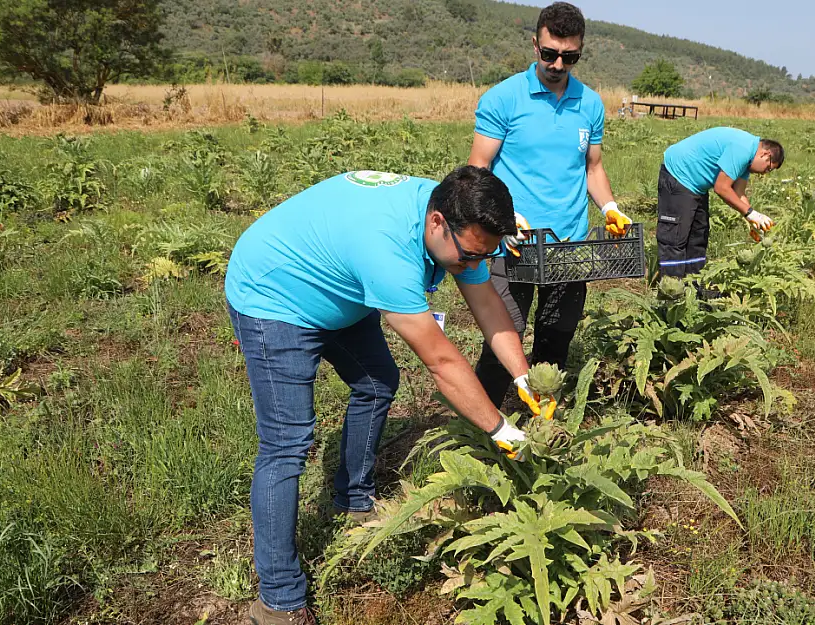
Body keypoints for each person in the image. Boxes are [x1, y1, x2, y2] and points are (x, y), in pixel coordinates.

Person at [225, 167, 553, 625]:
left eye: (486, 254)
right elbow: (441, 362)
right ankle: (278, 601)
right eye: (469, 255)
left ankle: (353, 497)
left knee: (378, 381)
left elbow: (487, 305)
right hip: (275, 295)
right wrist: (501, 429)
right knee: (287, 444)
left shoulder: (455, 215)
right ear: (437, 222)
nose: (473, 263)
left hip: (339, 284)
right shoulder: (388, 252)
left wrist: (523, 377)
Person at [469, 1, 631, 407]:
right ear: (535, 44)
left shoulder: (590, 103)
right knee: (505, 333)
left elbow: (593, 168)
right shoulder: (503, 99)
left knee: (557, 334)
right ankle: (481, 421)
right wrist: (503, 220)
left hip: (569, 243)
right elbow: (478, 168)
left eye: (569, 56)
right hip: (515, 241)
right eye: (549, 53)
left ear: (579, 52)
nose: (558, 64)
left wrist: (610, 206)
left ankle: (541, 416)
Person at [657, 127, 784, 278]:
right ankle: (671, 291)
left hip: (697, 187)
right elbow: (721, 188)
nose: (764, 173)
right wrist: (750, 213)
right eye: (768, 169)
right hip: (679, 175)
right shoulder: (742, 149)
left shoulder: (748, 156)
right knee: (675, 237)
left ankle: (693, 286)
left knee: (698, 237)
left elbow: (739, 193)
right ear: (765, 154)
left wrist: (753, 220)